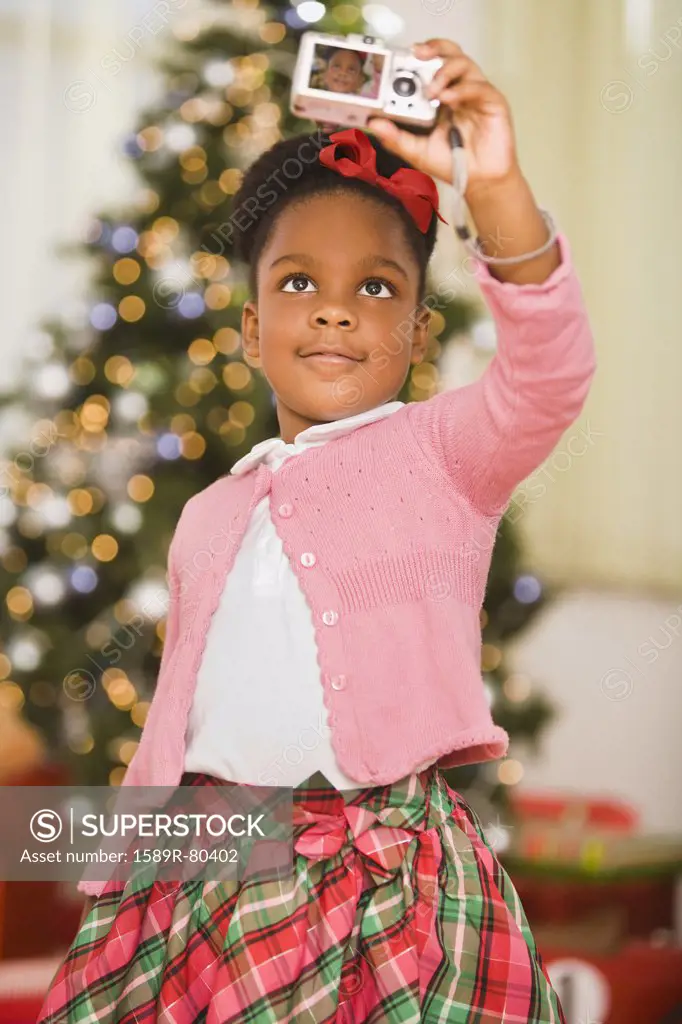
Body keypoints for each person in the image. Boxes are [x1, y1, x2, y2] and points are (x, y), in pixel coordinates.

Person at [37, 36, 595, 1023]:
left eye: (375, 287)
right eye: (297, 282)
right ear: (250, 329)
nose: (335, 311)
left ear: (419, 335)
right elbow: (177, 715)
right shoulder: (210, 513)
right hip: (207, 873)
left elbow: (548, 371)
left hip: (383, 885)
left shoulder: (444, 456)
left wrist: (493, 183)